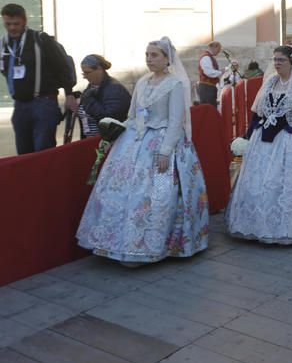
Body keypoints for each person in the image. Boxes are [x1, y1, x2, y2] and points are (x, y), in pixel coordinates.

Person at [76, 37, 209, 264]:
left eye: (154, 55)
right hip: (135, 140)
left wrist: (165, 151)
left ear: (167, 58)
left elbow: (176, 121)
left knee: (159, 194)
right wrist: (113, 136)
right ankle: (117, 242)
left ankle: (153, 244)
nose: (149, 59)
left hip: (163, 143)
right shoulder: (143, 82)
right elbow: (132, 116)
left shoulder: (175, 84)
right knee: (122, 191)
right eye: (147, 55)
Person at [226, 45, 292, 244]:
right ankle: (258, 223)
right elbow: (257, 113)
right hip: (264, 140)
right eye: (274, 60)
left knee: (287, 184)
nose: (276, 63)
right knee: (261, 182)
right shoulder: (270, 83)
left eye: (281, 60)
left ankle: (289, 226)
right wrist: (247, 137)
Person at [1, 3, 77, 154]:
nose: (12, 28)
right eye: (8, 24)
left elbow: (61, 66)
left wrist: (69, 94)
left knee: (43, 151)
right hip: (20, 105)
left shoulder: (41, 40)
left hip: (44, 103)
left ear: (24, 21)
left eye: (16, 24)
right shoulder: (5, 44)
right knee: (24, 154)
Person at [77, 54, 132, 138]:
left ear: (99, 69)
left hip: (108, 141)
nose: (85, 77)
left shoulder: (115, 89)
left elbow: (108, 118)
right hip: (93, 140)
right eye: (83, 73)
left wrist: (88, 100)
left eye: (87, 73)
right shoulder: (91, 87)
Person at [197, 41, 222, 106]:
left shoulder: (209, 57)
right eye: (218, 50)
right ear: (214, 47)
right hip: (206, 87)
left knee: (211, 109)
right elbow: (208, 72)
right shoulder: (206, 57)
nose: (218, 52)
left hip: (209, 87)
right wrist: (221, 72)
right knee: (208, 109)